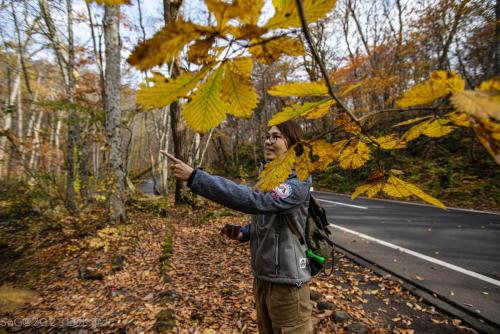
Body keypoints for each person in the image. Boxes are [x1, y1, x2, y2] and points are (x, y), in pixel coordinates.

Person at [161, 121, 313, 334]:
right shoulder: (268, 177)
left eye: (276, 137)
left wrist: (196, 178)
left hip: (288, 286)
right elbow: (269, 219)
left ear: (293, 143)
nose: (268, 141)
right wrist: (247, 231)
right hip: (262, 280)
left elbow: (257, 201)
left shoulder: (298, 181)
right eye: (267, 136)